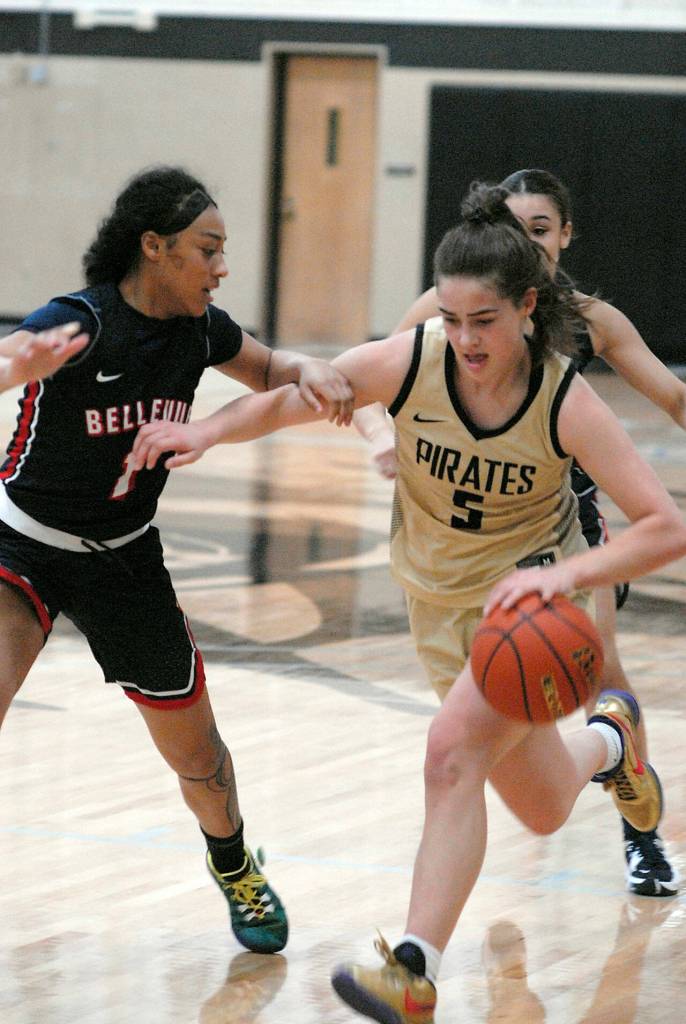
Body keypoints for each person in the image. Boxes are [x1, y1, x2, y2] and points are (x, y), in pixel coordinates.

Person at [130, 181, 686, 1024]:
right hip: (436, 603)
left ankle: (412, 969)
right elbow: (296, 396)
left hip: (535, 600)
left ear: (528, 307)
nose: (465, 340)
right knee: (537, 806)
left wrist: (563, 578)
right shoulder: (412, 358)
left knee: (450, 755)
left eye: (485, 323)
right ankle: (614, 748)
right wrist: (205, 431)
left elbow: (663, 527)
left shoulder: (566, 400)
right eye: (453, 320)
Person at [0, 164, 355, 956]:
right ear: (154, 247)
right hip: (21, 543)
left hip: (125, 559)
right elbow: (7, 359)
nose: (222, 266)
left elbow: (270, 370)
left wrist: (311, 370)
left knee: (198, 756)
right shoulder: (80, 321)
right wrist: (13, 369)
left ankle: (233, 861)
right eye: (209, 248)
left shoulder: (202, 330)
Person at [353, 167, 684, 898]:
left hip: (567, 531)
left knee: (605, 678)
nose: (528, 242)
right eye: (515, 229)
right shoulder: (450, 311)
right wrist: (382, 435)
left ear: (565, 237)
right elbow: (372, 380)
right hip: (469, 534)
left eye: (541, 229)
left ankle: (642, 838)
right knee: (505, 711)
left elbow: (673, 397)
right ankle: (564, 773)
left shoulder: (592, 319)